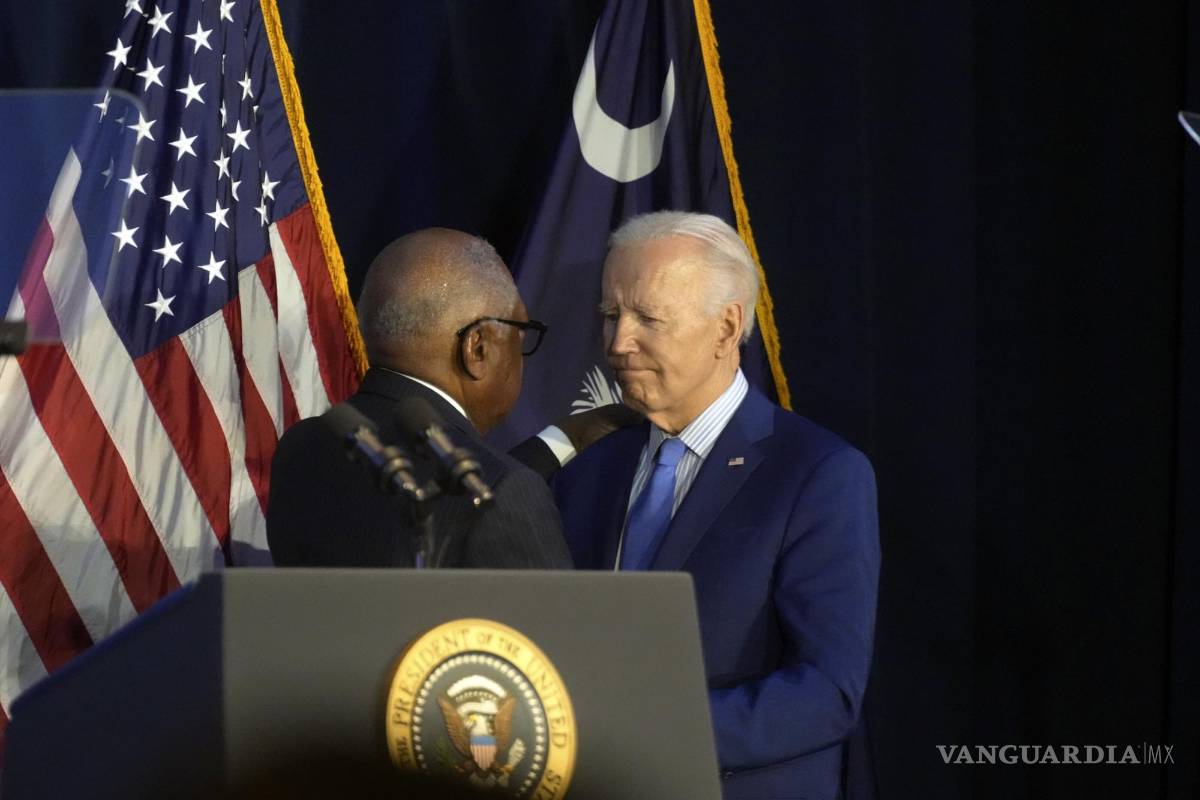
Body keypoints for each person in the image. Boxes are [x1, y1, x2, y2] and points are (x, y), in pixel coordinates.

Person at [551, 211, 881, 799]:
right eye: (610, 315)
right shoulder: (587, 475)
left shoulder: (817, 475)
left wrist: (646, 730)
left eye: (648, 318)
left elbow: (826, 693)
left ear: (727, 328)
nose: (619, 342)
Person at [267, 228, 572, 569]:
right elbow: (548, 624)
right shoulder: (499, 492)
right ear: (478, 347)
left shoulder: (303, 447)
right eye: (520, 332)